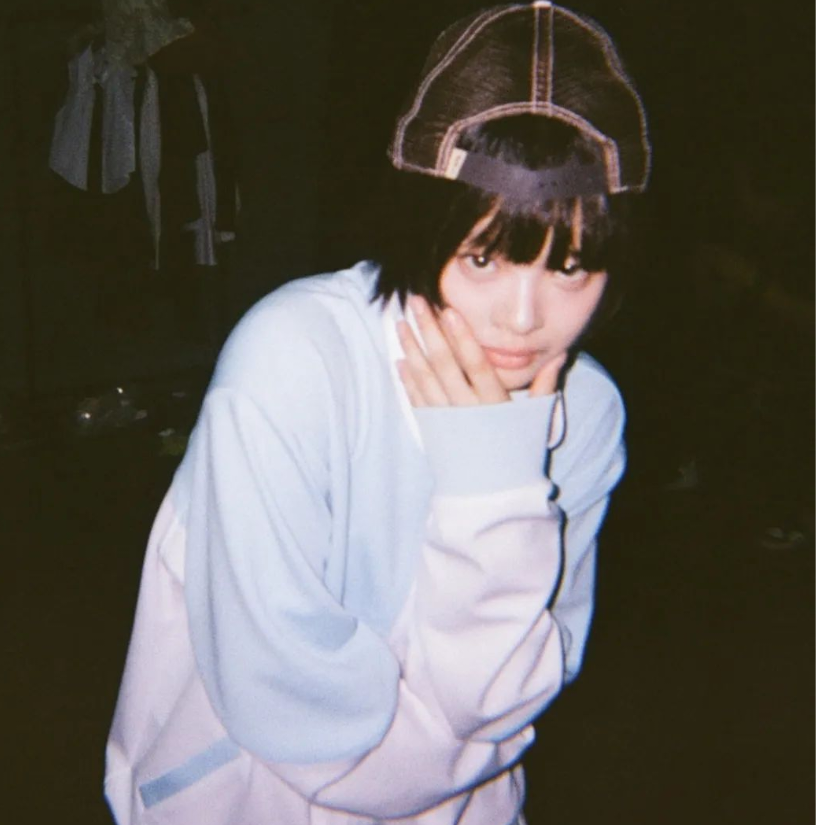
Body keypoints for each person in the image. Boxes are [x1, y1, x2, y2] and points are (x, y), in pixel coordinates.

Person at [104, 3, 650, 823]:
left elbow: (526, 681)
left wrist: (495, 481)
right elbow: (295, 721)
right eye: (482, 257)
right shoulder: (297, 358)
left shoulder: (586, 408)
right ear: (421, 225)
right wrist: (459, 747)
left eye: (570, 268)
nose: (523, 318)